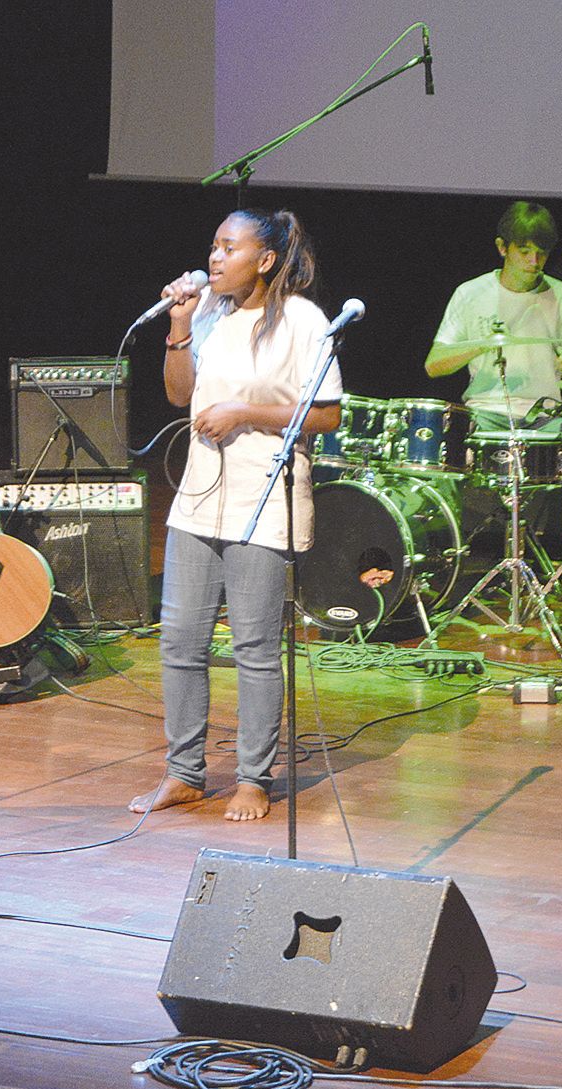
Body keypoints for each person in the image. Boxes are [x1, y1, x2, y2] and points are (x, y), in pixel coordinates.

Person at [128, 209, 343, 822]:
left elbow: (325, 415)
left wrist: (247, 412)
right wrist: (178, 325)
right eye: (213, 247)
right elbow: (177, 393)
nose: (216, 259)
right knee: (180, 642)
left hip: (262, 498)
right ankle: (183, 772)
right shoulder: (210, 315)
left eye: (230, 247)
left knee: (253, 645)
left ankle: (254, 778)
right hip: (199, 497)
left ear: (266, 259)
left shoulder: (303, 321)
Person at [423, 201, 562, 561]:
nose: (534, 262)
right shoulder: (470, 294)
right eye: (525, 251)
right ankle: (446, 557)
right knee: (443, 451)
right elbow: (434, 365)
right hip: (485, 413)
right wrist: (481, 344)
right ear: (502, 248)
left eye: (542, 253)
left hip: (546, 415)